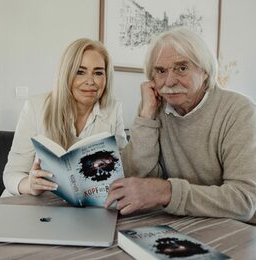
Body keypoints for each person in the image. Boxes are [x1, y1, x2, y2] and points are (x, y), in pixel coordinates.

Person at [105, 27, 256, 224]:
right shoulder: (155, 107)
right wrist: (146, 117)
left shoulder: (239, 110)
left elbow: (244, 200)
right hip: (177, 223)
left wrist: (167, 191)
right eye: (160, 71)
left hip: (235, 229)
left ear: (204, 71)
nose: (169, 81)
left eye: (181, 68)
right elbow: (137, 179)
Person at [2, 38, 127, 197]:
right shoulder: (35, 107)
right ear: (66, 74)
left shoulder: (114, 110)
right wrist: (30, 185)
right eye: (80, 72)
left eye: (98, 73)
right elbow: (11, 174)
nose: (90, 81)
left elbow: (124, 167)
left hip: (85, 207)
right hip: (31, 204)